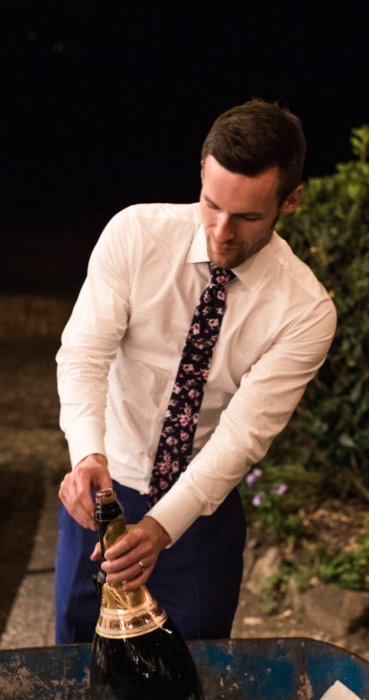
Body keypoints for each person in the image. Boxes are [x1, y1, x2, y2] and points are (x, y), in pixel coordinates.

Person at [54, 98, 337, 644]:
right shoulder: (134, 234)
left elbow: (242, 436)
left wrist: (163, 528)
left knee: (195, 681)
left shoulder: (305, 310)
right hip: (102, 488)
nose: (222, 231)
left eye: (248, 216)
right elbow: (84, 354)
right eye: (211, 205)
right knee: (72, 667)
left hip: (199, 512)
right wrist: (87, 453)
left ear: (291, 200)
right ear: (202, 173)